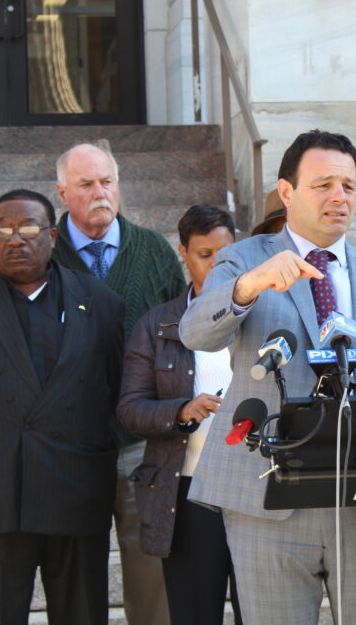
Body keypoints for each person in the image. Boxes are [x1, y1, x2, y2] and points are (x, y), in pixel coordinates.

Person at [179, 129, 356, 624]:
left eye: (348, 186)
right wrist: (249, 286)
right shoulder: (244, 259)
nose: (339, 197)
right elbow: (195, 331)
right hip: (268, 499)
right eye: (323, 185)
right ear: (287, 192)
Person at [0, 189, 125, 624]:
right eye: (3, 229)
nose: (15, 239)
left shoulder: (101, 304)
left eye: (29, 228)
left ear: (53, 236)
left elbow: (110, 391)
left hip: (75, 490)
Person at [50, 142, 184, 624]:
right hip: (69, 446)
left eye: (107, 182)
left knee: (151, 576)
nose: (99, 193)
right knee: (76, 582)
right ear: (63, 193)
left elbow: (182, 336)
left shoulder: (153, 250)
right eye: (86, 184)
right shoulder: (43, 254)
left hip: (142, 443)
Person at [118, 204, 242, 624]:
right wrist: (182, 411)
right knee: (193, 613)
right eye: (205, 255)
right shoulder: (157, 325)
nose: (217, 265)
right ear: (184, 254)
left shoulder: (262, 313)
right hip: (188, 494)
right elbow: (130, 411)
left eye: (226, 254)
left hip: (254, 492)